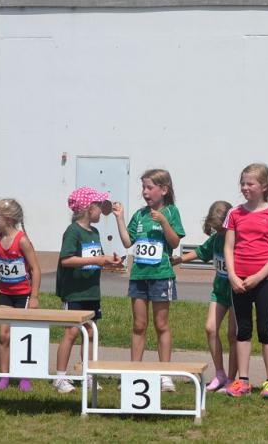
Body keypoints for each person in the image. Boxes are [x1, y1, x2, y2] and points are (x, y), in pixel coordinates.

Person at [114, 169, 185, 392]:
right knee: (139, 325)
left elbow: (174, 242)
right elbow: (128, 242)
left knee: (161, 325)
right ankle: (134, 372)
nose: (145, 192)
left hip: (161, 275)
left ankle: (165, 375)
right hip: (139, 276)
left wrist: (163, 222)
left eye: (149, 187)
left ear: (163, 190)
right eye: (143, 187)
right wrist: (119, 218)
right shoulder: (140, 215)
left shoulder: (171, 212)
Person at [223, 163, 268, 399]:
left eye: (250, 183)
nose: (245, 188)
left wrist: (259, 276)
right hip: (238, 281)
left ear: (264, 186)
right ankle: (243, 380)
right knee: (242, 330)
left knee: (265, 330)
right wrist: (232, 275)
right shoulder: (234, 213)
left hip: (263, 281)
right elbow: (228, 247)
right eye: (242, 183)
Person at [53, 187, 122, 394]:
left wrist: (109, 262)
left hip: (92, 291)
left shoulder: (95, 232)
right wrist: (97, 259)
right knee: (72, 332)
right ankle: (60, 377)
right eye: (99, 206)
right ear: (88, 208)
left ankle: (88, 374)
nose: (102, 210)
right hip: (74, 292)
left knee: (90, 333)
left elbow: (95, 259)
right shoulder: (73, 231)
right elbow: (66, 260)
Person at [0, 199, 42, 392]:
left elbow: (35, 269)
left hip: (23, 295)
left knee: (21, 335)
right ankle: (4, 376)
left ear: (8, 219)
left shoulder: (22, 240)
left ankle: (24, 376)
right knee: (4, 335)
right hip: (5, 293)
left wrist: (34, 296)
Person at [172, 200, 238, 393]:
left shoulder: (237, 239)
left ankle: (232, 379)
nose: (220, 232)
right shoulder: (216, 239)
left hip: (237, 292)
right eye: (216, 228)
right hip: (219, 290)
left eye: (222, 228)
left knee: (233, 334)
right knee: (210, 328)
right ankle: (220, 373)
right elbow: (201, 251)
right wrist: (179, 259)